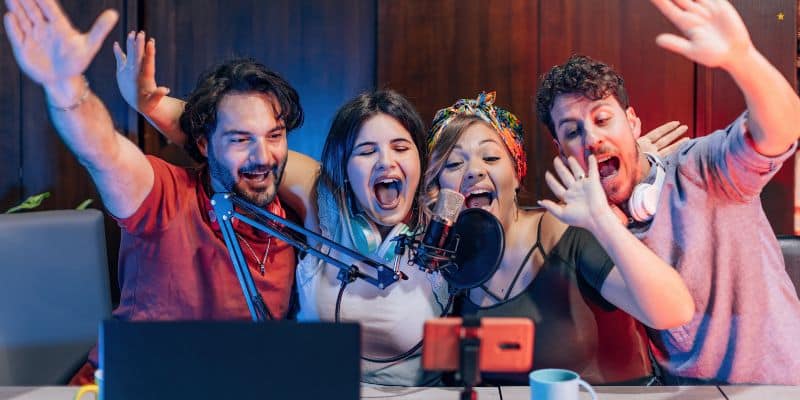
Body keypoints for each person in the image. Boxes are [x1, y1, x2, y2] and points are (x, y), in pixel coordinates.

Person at [113, 33, 448, 386]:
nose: (386, 162)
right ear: (343, 168)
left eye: (400, 147)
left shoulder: (442, 223)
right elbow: (231, 139)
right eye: (366, 151)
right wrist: (149, 104)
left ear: (421, 162)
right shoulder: (320, 199)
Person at [3, 0, 302, 384]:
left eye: (274, 136)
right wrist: (66, 87)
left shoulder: (293, 221)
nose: (263, 156)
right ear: (205, 144)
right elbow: (102, 150)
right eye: (240, 139)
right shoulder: (164, 194)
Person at [535, 0, 800, 385]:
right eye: (573, 131)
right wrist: (603, 222)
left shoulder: (700, 168)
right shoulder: (587, 232)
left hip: (782, 386)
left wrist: (742, 59)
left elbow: (783, 130)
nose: (591, 138)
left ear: (633, 122)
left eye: (603, 119)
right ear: (562, 150)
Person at [422, 92, 694, 385]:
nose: (474, 171)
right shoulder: (446, 261)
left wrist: (603, 217)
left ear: (516, 173)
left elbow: (673, 311)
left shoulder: (563, 231)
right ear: (440, 185)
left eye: (490, 157)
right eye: (453, 165)